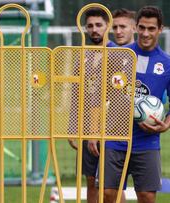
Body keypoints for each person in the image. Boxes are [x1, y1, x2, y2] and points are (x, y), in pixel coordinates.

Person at [88, 6, 170, 203]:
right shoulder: (117, 56)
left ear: (160, 29)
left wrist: (166, 124)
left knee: (147, 196)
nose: (145, 33)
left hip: (147, 139)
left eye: (151, 29)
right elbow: (97, 95)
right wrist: (92, 131)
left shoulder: (166, 63)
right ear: (135, 28)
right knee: (108, 193)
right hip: (114, 136)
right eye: (141, 28)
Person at [67, 7, 116, 203]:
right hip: (87, 130)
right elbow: (76, 95)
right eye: (90, 26)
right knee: (90, 181)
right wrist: (72, 127)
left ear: (107, 26)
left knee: (111, 185)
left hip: (113, 128)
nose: (94, 29)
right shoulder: (83, 56)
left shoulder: (119, 54)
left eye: (98, 25)